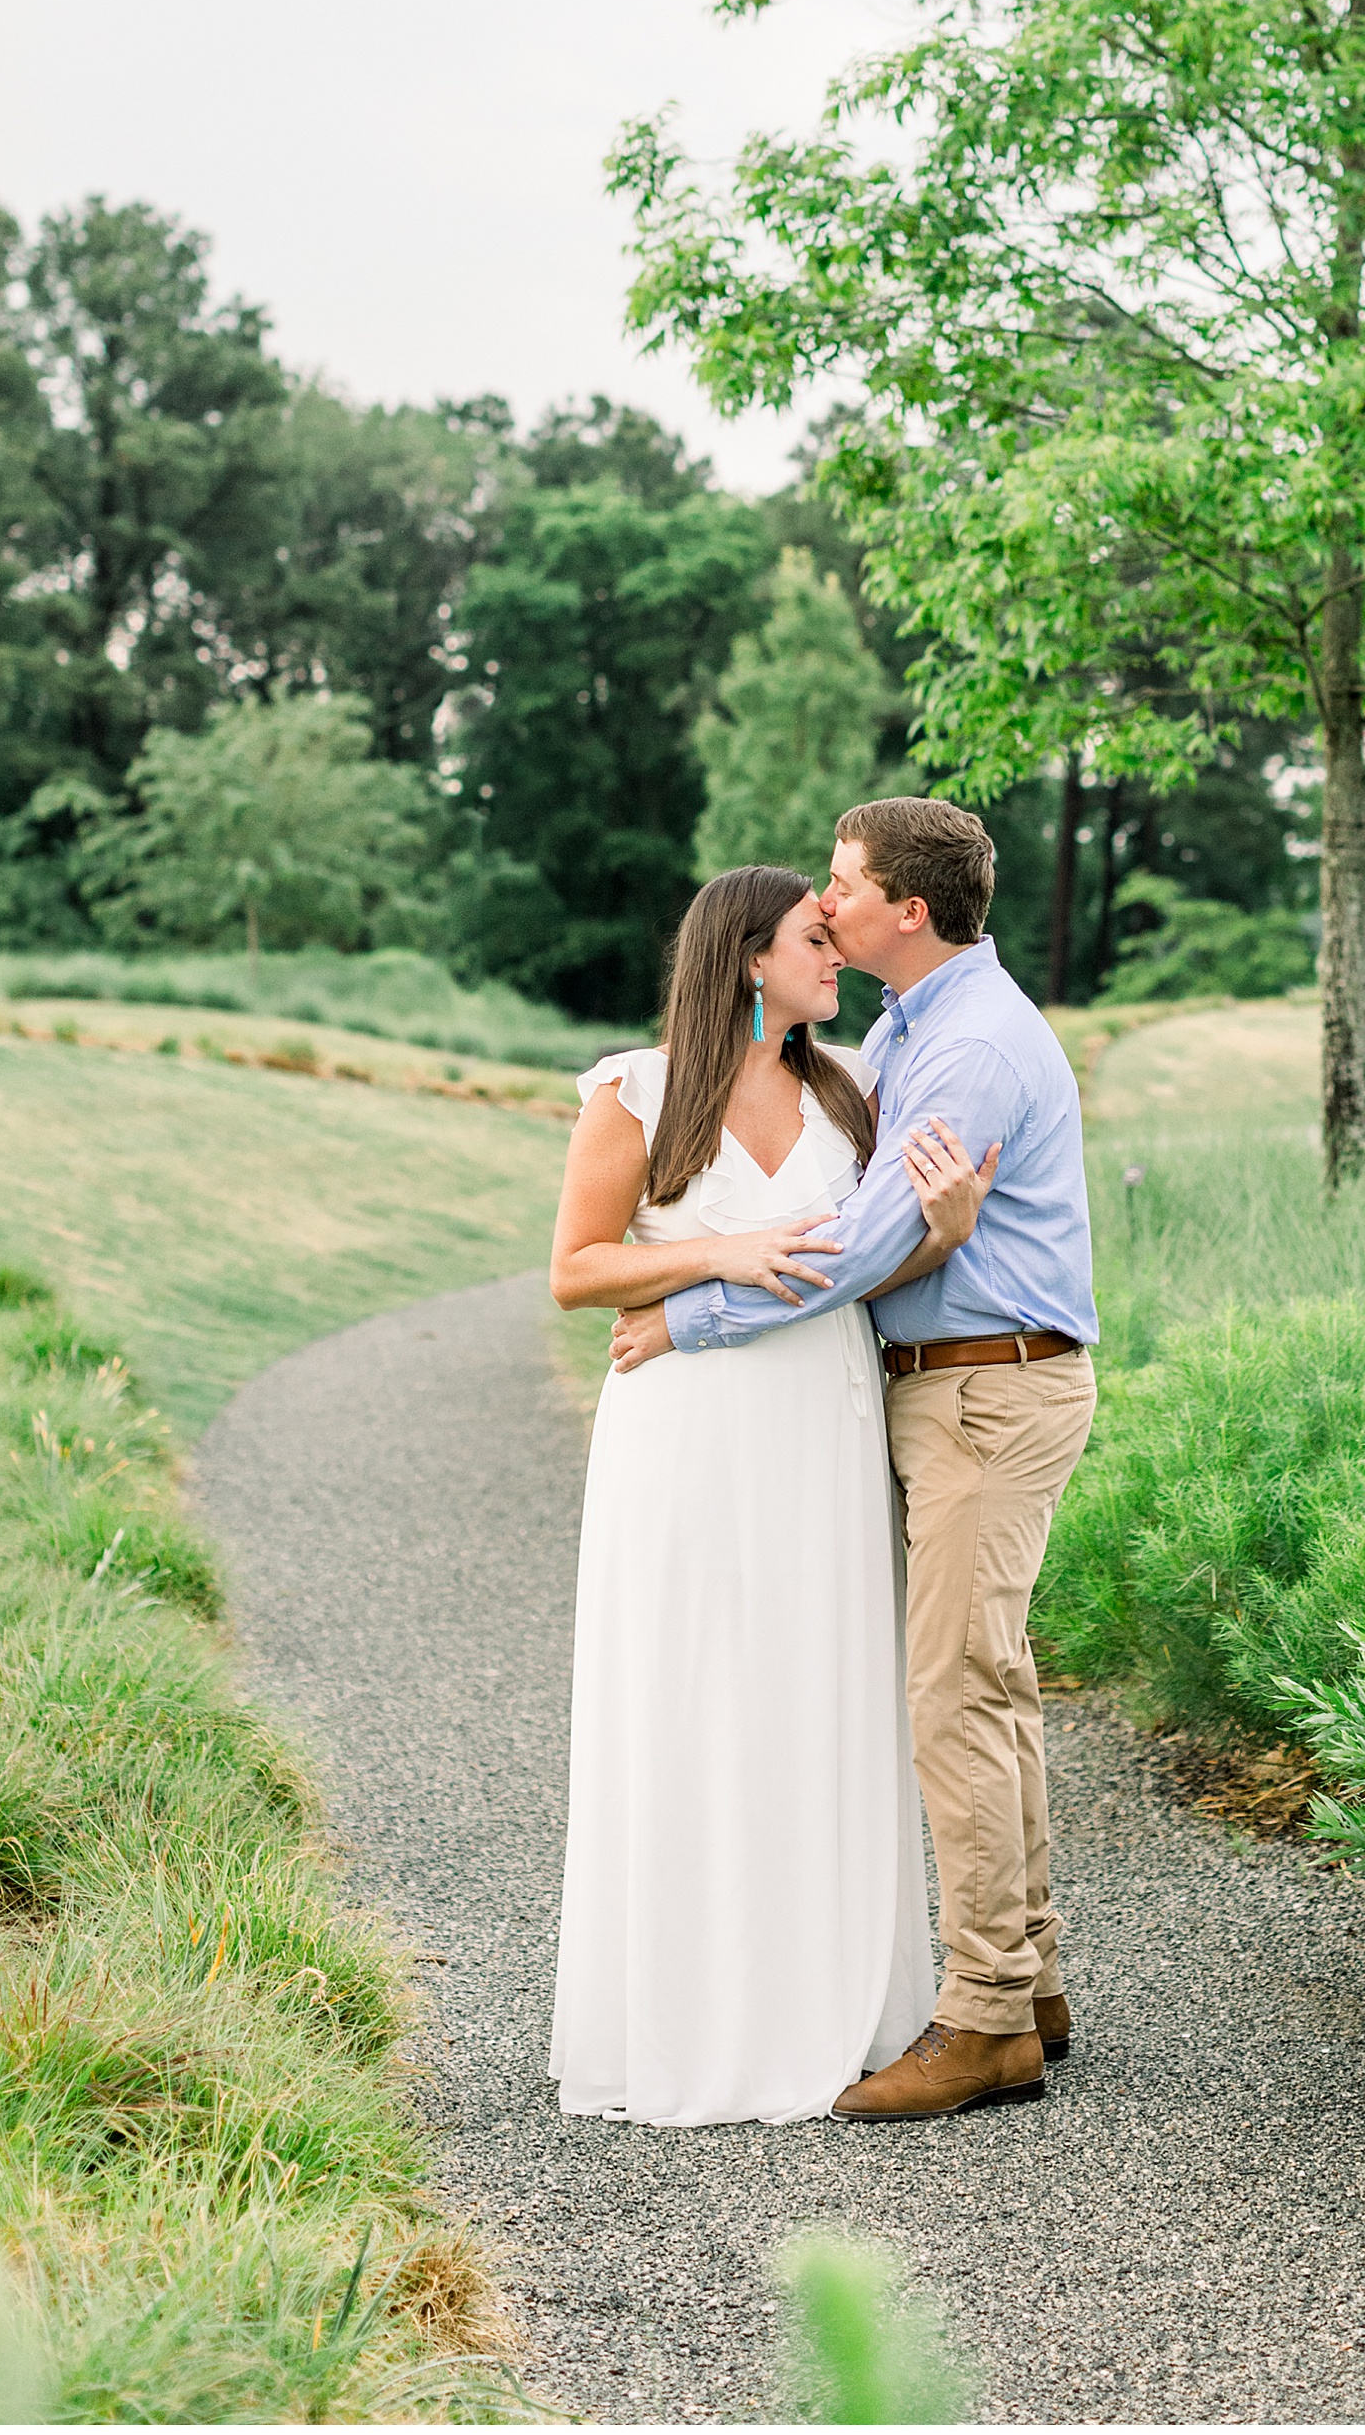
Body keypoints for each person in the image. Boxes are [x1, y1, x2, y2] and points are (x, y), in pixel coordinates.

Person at [612, 798, 1098, 2122]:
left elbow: (868, 1239)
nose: (826, 903)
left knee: (952, 1695)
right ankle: (1032, 1976)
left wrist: (688, 1315)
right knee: (987, 1686)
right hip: (958, 1386)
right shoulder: (909, 1031)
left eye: (843, 883)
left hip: (990, 1393)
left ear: (911, 912)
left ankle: (988, 2015)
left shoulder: (972, 1049)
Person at [546, 863, 999, 2126]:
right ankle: (688, 2015)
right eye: (815, 936)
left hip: (821, 1421)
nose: (836, 951)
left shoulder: (849, 1089)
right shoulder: (637, 1088)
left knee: (817, 1693)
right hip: (684, 1436)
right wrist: (717, 1252)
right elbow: (577, 1270)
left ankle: (829, 2009)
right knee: (691, 1691)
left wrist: (947, 1232)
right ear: (750, 955)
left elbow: (868, 1255)